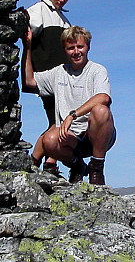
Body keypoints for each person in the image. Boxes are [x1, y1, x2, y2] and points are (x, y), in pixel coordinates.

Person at [21, 25, 116, 186]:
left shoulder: (97, 70)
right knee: (49, 140)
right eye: (71, 48)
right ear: (65, 50)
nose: (76, 51)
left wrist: (73, 115)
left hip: (95, 135)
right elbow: (29, 81)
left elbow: (103, 97)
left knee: (101, 110)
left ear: (88, 47)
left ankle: (97, 169)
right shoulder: (59, 72)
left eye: (80, 46)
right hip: (71, 138)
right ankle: (77, 165)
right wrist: (28, 47)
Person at [24, 0, 73, 176]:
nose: (62, 0)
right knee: (57, 123)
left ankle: (44, 162)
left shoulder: (64, 19)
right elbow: (25, 27)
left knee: (58, 122)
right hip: (46, 77)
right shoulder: (39, 10)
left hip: (63, 79)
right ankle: (41, 162)